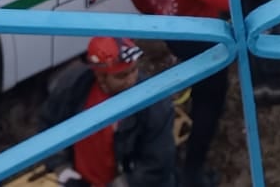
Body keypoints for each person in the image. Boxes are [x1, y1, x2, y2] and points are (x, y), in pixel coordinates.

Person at [128, 0, 254, 187]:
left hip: (174, 36)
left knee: (199, 84)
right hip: (206, 45)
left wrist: (160, 17)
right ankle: (193, 172)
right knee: (209, 102)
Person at [37, 36, 178, 187]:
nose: (131, 80)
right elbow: (48, 126)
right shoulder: (73, 88)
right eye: (121, 76)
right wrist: (63, 169)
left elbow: (157, 163)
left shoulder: (154, 105)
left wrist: (121, 184)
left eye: (134, 70)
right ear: (100, 76)